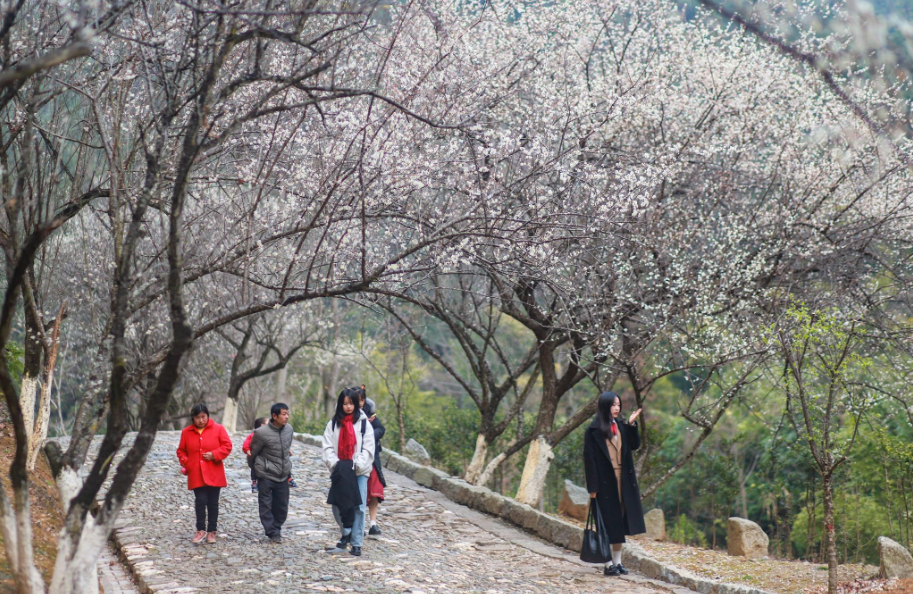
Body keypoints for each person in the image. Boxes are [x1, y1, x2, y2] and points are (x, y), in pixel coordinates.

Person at [583, 391, 645, 576]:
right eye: (613, 405)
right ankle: (607, 563)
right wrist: (592, 488)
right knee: (606, 523)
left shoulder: (621, 426)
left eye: (618, 404)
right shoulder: (593, 430)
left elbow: (634, 446)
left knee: (619, 521)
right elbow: (589, 460)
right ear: (604, 406)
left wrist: (632, 424)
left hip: (623, 482)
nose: (617, 408)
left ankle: (617, 562)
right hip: (604, 484)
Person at [322, 387, 375, 557]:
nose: (348, 407)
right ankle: (346, 532)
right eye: (345, 404)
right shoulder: (333, 424)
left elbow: (368, 447)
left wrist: (356, 465)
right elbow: (328, 446)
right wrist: (336, 464)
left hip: (359, 470)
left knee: (358, 506)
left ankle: (356, 543)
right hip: (340, 469)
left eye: (351, 403)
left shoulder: (364, 423)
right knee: (337, 504)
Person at [176, 403, 233, 545]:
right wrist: (186, 462)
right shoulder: (186, 432)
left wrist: (214, 454)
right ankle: (200, 529)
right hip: (196, 473)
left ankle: (212, 531)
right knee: (200, 501)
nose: (201, 420)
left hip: (214, 472)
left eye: (203, 417)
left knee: (213, 503)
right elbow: (181, 451)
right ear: (193, 418)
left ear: (208, 416)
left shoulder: (218, 429)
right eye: (198, 417)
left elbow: (227, 446)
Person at [248, 403, 294, 544]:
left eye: (287, 414)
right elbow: (253, 453)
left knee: (282, 506)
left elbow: (286, 449)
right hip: (266, 474)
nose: (286, 417)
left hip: (283, 474)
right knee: (266, 505)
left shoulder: (289, 430)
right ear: (274, 416)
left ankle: (276, 527)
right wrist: (256, 471)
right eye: (283, 414)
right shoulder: (261, 433)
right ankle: (272, 532)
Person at [356, 386, 386, 536]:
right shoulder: (345, 414)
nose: (360, 402)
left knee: (374, 490)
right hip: (353, 459)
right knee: (356, 491)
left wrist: (369, 436)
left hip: (371, 458)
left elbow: (380, 429)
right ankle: (356, 524)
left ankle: (373, 523)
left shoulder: (370, 412)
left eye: (362, 399)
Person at [244, 417, 299, 493]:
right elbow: (246, 444)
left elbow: (281, 444)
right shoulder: (254, 435)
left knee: (284, 465)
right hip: (259, 457)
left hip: (274, 456)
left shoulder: (274, 433)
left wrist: (287, 450)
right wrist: (247, 450)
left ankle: (289, 479)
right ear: (262, 425)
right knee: (255, 469)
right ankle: (254, 483)